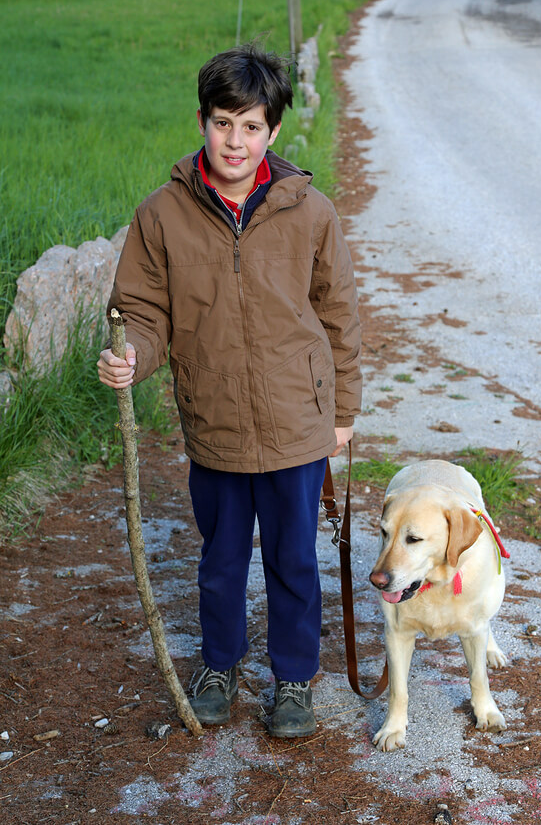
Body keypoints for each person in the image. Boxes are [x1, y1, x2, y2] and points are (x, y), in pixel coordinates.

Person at [97, 43, 362, 739]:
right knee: (219, 561)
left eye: (250, 127)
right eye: (222, 124)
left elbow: (339, 319)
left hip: (297, 427)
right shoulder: (162, 215)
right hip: (213, 423)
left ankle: (294, 679)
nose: (234, 141)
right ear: (201, 121)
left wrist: (343, 415)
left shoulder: (312, 214)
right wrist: (134, 357)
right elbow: (144, 310)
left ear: (273, 131)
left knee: (294, 559)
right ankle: (219, 665)